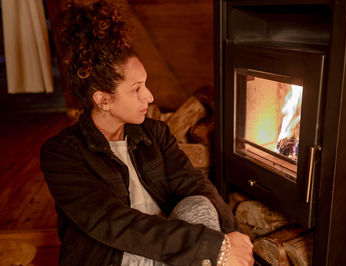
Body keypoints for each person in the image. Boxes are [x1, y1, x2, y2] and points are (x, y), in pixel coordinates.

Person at [40, 1, 254, 265]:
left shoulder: (154, 133)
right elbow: (116, 224)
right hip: (115, 255)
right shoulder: (62, 153)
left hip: (169, 244)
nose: (149, 96)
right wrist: (216, 248)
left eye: (146, 84)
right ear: (103, 99)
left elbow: (194, 185)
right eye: (136, 88)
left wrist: (234, 236)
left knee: (198, 204)